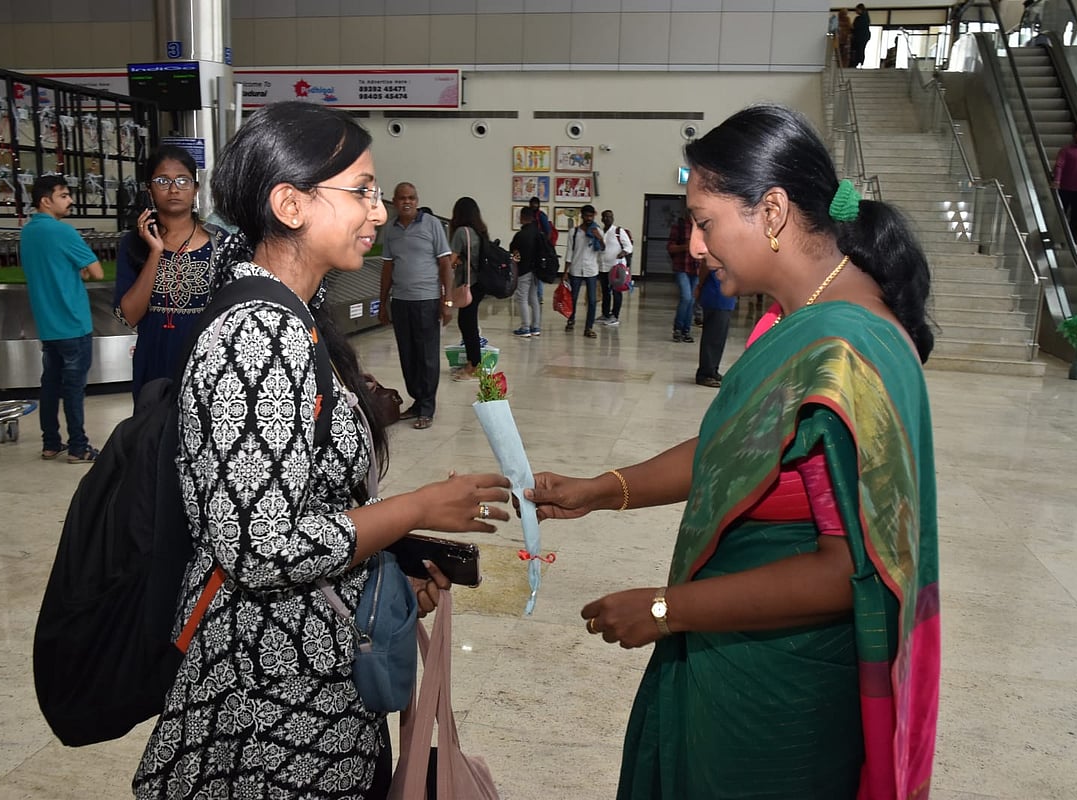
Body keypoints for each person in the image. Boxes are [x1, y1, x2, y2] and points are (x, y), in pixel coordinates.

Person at [526, 105, 939, 799]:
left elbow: (848, 574)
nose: (691, 245)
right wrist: (600, 490)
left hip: (780, 685)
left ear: (772, 211)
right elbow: (737, 450)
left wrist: (666, 609)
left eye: (705, 221)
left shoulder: (842, 352)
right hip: (738, 640)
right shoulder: (807, 322)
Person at [131, 101, 512, 800]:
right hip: (274, 698)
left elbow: (305, 500)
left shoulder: (295, 319)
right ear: (290, 203)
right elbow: (259, 547)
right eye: (361, 190)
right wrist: (416, 507)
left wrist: (387, 568)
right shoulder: (258, 336)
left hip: (316, 667)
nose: (376, 210)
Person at [114, 144, 225, 402]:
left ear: (195, 189)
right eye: (162, 181)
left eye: (183, 181)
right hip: (153, 360)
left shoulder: (220, 242)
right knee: (153, 435)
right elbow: (128, 315)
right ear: (149, 189)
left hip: (207, 361)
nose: (173, 189)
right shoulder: (134, 244)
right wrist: (155, 252)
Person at [19, 175, 104, 464]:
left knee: (50, 386)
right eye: (64, 195)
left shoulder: (28, 232)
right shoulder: (64, 232)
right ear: (46, 200)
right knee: (73, 389)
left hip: (47, 325)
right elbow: (97, 272)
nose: (69, 201)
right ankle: (79, 447)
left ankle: (50, 444)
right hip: (74, 322)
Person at [379, 182, 454, 430]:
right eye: (401, 198)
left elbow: (445, 265)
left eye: (411, 197)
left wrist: (447, 301)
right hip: (401, 302)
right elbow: (388, 268)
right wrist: (382, 303)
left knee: (427, 356)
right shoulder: (390, 230)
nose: (407, 202)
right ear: (394, 201)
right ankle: (417, 400)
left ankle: (427, 407)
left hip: (427, 301)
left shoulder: (432, 225)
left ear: (417, 200)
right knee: (408, 355)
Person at [448, 196, 492, 377]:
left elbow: (450, 260)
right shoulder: (480, 231)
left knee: (467, 323)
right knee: (468, 322)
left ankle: (474, 364)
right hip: (479, 283)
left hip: (469, 284)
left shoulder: (461, 232)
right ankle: (472, 362)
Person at [694, 257, 736, 388]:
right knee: (712, 337)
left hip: (726, 297)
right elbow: (705, 267)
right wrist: (700, 285)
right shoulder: (718, 249)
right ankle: (705, 374)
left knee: (719, 338)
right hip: (716, 295)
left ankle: (712, 370)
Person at [564, 204, 604, 339]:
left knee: (592, 300)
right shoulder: (574, 232)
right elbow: (569, 251)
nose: (588, 218)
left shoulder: (597, 230)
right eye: (586, 216)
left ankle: (589, 327)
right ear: (581, 216)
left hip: (591, 270)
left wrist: (599, 238)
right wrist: (565, 272)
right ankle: (571, 319)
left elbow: (602, 249)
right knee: (573, 298)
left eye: (591, 216)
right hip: (575, 269)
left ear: (594, 216)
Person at [510, 205, 543, 337]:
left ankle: (525, 327)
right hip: (536, 271)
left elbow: (514, 251)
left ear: (522, 217)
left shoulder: (521, 235)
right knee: (534, 298)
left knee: (522, 298)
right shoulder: (538, 233)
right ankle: (536, 327)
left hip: (523, 270)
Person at [597, 209, 634, 327]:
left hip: (616, 268)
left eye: (610, 217)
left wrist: (623, 252)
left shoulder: (619, 231)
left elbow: (629, 246)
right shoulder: (599, 232)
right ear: (602, 219)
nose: (608, 219)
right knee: (605, 292)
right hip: (603, 267)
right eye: (606, 217)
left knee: (616, 292)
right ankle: (605, 314)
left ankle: (615, 316)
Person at [667, 214, 700, 342]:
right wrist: (685, 247)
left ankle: (686, 331)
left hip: (697, 268)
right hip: (681, 267)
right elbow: (670, 247)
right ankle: (678, 328)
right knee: (686, 297)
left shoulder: (703, 227)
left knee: (692, 300)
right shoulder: (679, 227)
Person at [851, 3, 871, 68]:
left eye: (856, 10)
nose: (856, 11)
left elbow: (855, 27)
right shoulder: (866, 17)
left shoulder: (860, 18)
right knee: (861, 49)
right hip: (865, 36)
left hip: (860, 37)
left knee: (859, 50)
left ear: (860, 9)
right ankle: (861, 63)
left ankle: (857, 62)